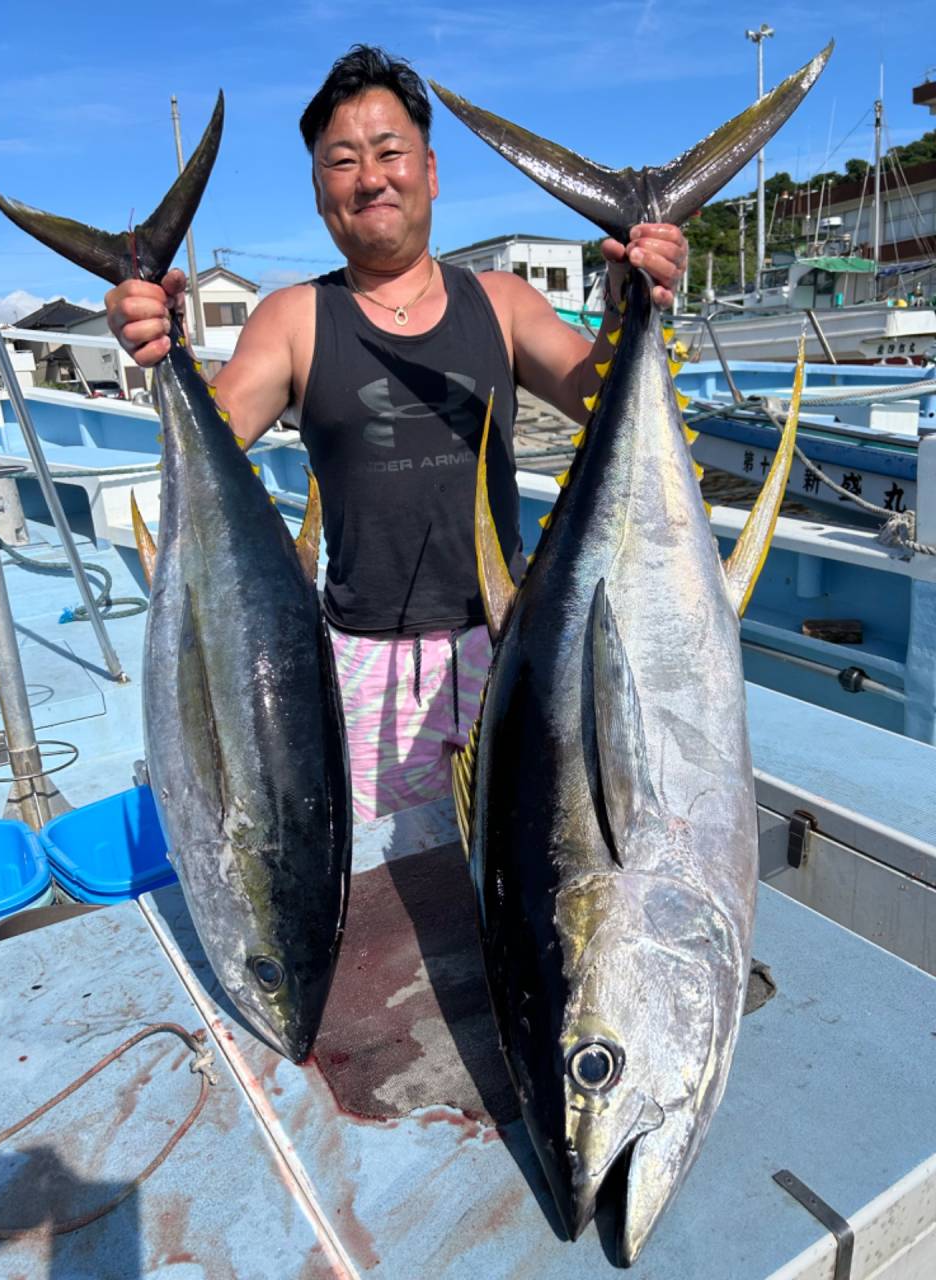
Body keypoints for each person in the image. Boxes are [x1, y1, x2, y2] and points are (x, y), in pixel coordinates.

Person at [106, 46, 688, 823]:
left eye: (390, 152)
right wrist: (156, 343)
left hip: (510, 640)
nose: (370, 176)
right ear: (320, 194)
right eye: (342, 162)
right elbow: (221, 427)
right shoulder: (292, 318)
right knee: (383, 879)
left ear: (432, 171)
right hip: (359, 660)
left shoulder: (503, 300)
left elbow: (593, 396)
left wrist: (629, 298)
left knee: (529, 857)